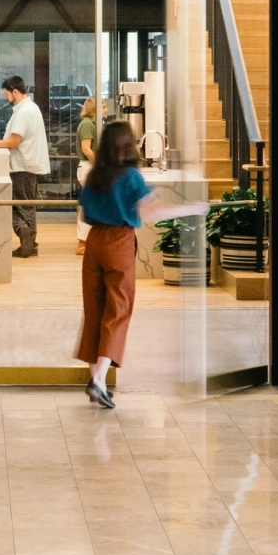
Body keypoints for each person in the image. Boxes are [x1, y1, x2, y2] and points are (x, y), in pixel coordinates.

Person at [76, 120, 207, 409]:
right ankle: (98, 381)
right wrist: (194, 208)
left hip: (94, 241)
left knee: (94, 310)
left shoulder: (93, 176)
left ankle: (97, 380)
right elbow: (153, 214)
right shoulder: (131, 177)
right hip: (120, 241)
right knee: (118, 310)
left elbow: (85, 215)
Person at [0, 75, 49, 258]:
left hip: (22, 166)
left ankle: (24, 234)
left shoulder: (23, 112)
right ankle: (30, 243)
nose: (5, 98)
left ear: (15, 91)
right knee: (26, 205)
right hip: (28, 164)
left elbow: (13, 142)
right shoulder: (31, 108)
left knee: (20, 205)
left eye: (6, 94)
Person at [73, 96, 101, 257]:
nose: (106, 109)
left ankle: (87, 240)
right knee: (87, 205)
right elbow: (86, 148)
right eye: (103, 107)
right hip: (88, 167)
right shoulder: (88, 124)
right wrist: (99, 164)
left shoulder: (92, 124)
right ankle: (83, 241)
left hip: (89, 167)